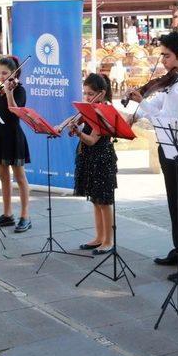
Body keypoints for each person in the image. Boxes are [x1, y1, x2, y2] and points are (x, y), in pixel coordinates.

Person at [127, 31, 178, 281]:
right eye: (162, 55)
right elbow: (159, 106)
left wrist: (142, 103)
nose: (163, 62)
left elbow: (164, 120)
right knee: (174, 203)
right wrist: (140, 111)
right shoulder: (174, 80)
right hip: (171, 147)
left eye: (167, 56)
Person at [64, 74, 118, 255]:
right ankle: (99, 237)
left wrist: (78, 133)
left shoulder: (103, 112)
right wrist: (73, 128)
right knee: (95, 200)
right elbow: (81, 130)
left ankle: (108, 241)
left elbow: (92, 140)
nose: (86, 97)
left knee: (104, 201)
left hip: (102, 159)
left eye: (91, 93)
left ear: (101, 93)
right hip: (90, 158)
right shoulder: (89, 110)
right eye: (85, 93)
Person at [0, 56, 32, 233]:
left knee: (20, 178)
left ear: (14, 73)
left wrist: (9, 92)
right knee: (3, 177)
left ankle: (25, 216)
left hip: (13, 135)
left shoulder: (19, 90)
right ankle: (7, 214)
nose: (1, 77)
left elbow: (15, 111)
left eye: (4, 73)